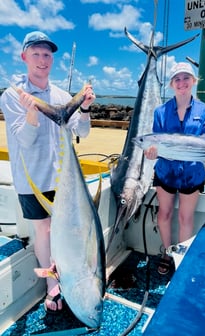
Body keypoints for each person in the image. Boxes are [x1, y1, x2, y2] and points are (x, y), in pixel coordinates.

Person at [0, 31, 95, 312]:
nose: (43, 60)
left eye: (47, 54)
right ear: (24, 57)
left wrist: (85, 108)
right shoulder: (13, 96)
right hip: (32, 180)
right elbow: (24, 141)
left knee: (67, 231)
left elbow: (83, 132)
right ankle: (51, 285)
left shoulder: (62, 96)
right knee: (44, 230)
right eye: (37, 54)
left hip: (61, 179)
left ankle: (71, 274)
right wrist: (32, 114)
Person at [144, 62, 205, 275]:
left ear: (193, 81)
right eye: (177, 79)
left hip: (193, 174)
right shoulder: (161, 112)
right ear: (172, 84)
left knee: (185, 218)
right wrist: (151, 151)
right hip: (165, 172)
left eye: (186, 78)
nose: (182, 83)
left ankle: (180, 257)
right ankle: (166, 252)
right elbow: (157, 141)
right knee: (163, 215)